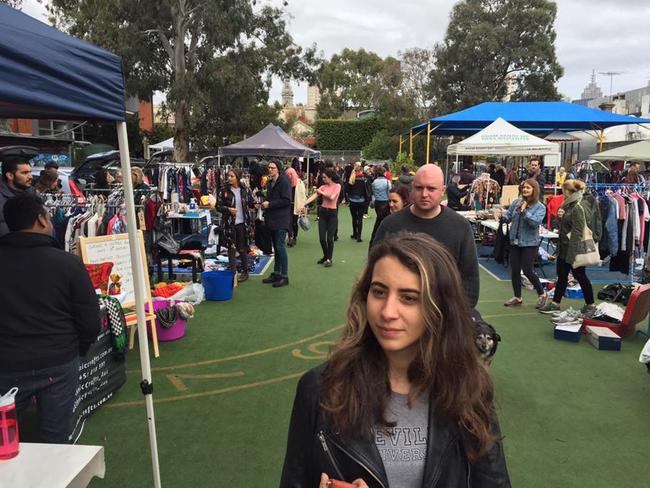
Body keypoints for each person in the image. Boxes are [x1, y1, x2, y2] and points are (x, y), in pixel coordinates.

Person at [280, 233, 510, 488]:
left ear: (440, 308)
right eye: (378, 292)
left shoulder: (469, 387)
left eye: (409, 298)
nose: (387, 312)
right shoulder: (321, 388)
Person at [0, 193, 100, 443]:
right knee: (54, 438)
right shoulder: (68, 264)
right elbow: (89, 320)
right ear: (42, 220)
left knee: (4, 437)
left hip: (8, 362)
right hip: (58, 360)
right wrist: (78, 349)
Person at [373, 164, 480, 308]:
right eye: (419, 188)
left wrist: (460, 313)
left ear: (442, 191)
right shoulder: (390, 225)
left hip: (445, 315)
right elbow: (373, 270)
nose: (424, 194)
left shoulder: (460, 226)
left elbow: (470, 278)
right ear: (412, 189)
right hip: (400, 313)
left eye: (431, 188)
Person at [539, 179, 596, 315]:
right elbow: (570, 227)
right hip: (566, 249)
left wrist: (572, 255)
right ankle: (556, 303)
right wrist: (561, 218)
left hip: (572, 250)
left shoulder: (577, 207)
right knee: (563, 276)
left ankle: (590, 304)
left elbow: (578, 231)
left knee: (580, 276)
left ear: (568, 191)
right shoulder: (571, 206)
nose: (561, 193)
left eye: (563, 191)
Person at [497, 179, 548, 308]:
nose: (525, 190)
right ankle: (517, 297)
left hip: (529, 243)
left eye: (528, 188)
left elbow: (535, 223)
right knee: (514, 270)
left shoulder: (540, 207)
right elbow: (509, 217)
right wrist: (501, 216)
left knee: (528, 270)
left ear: (534, 190)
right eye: (524, 187)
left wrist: (525, 211)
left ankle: (542, 294)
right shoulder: (516, 202)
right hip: (515, 241)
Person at [217, 168, 255, 283]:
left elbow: (251, 203)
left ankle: (245, 272)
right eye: (228, 176)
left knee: (243, 248)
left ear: (237, 177)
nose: (229, 178)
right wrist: (228, 209)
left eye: (232, 176)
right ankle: (233, 274)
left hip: (242, 223)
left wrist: (256, 207)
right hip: (229, 224)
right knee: (231, 248)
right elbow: (218, 206)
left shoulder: (245, 190)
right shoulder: (224, 190)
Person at [302, 168, 341, 267]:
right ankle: (325, 256)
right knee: (322, 238)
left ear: (330, 177)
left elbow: (332, 197)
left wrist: (321, 192)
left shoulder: (337, 186)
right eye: (322, 177)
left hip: (332, 214)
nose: (323, 179)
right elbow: (314, 196)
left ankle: (329, 259)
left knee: (329, 238)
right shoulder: (323, 186)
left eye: (325, 177)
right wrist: (303, 203)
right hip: (323, 213)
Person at [262, 160, 292, 287]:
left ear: (278, 169)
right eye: (269, 167)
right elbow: (271, 197)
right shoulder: (270, 182)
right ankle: (277, 273)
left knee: (280, 247)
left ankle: (284, 276)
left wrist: (270, 204)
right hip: (272, 218)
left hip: (281, 219)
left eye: (272, 167)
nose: (270, 169)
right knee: (276, 247)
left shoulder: (284, 182)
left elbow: (286, 200)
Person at [0, 145, 37, 237]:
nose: (30, 177)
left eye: (30, 172)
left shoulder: (34, 195)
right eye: (24, 173)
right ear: (10, 176)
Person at [347, 162, 371, 242]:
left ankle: (354, 233)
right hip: (362, 201)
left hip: (352, 200)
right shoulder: (364, 179)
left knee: (354, 218)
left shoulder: (351, 179)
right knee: (360, 219)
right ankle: (359, 236)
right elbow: (367, 191)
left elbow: (347, 190)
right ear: (361, 169)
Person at [369, 165, 392, 246]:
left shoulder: (374, 182)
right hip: (385, 202)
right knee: (385, 220)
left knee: (379, 219)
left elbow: (373, 194)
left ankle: (375, 238)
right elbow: (389, 193)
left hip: (377, 203)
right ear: (384, 172)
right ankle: (384, 238)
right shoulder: (387, 182)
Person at [286, 160, 300, 247]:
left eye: (291, 174)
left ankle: (293, 236)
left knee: (293, 221)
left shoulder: (298, 184)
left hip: (295, 204)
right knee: (290, 221)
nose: (289, 176)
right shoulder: (286, 184)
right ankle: (291, 237)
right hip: (290, 204)